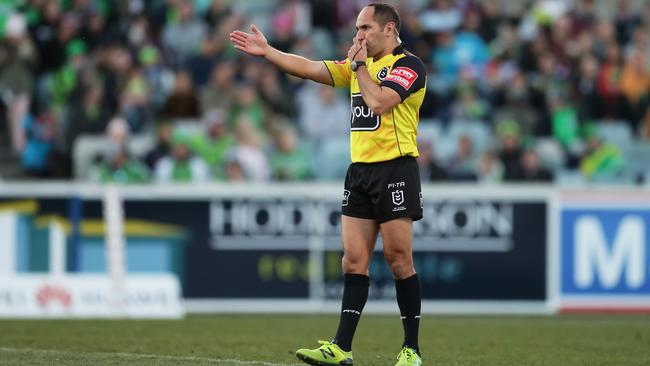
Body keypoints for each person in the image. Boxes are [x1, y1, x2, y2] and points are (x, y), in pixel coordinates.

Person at [230, 3, 426, 366]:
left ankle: (410, 349)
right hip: (361, 172)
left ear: (389, 28)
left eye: (366, 28)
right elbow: (308, 68)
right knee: (353, 260)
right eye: (357, 29)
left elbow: (380, 102)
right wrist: (268, 51)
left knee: (399, 261)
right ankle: (341, 347)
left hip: (396, 170)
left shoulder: (408, 66)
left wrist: (360, 66)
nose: (359, 35)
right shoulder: (356, 67)